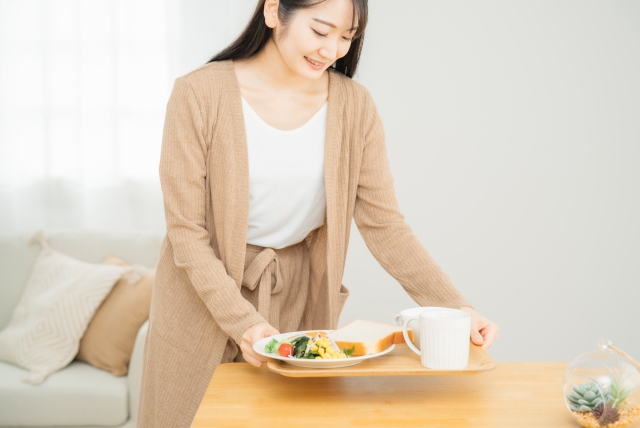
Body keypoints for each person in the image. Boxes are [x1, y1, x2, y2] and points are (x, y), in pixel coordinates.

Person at [137, 0, 499, 426]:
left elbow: (386, 226)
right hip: (199, 303)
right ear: (274, 12)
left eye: (347, 37)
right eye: (321, 31)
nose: (332, 50)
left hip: (296, 303)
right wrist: (242, 321)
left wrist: (455, 308)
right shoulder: (198, 94)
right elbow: (186, 232)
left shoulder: (355, 107)